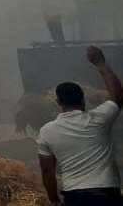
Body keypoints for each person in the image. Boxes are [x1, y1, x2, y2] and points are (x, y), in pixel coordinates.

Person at [38, 45, 123, 205]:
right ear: (83, 99)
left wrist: (54, 200)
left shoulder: (46, 131)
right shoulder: (98, 119)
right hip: (107, 195)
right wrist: (100, 63)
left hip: (74, 197)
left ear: (58, 102)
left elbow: (47, 171)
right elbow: (117, 93)